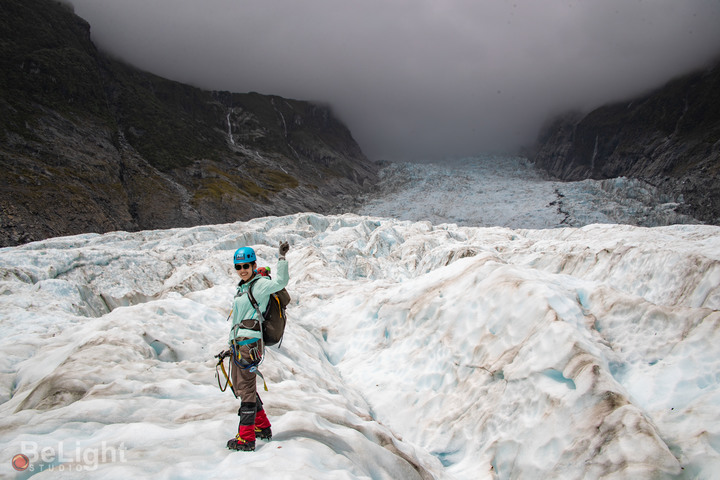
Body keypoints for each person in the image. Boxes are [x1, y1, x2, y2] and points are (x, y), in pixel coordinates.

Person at [226, 241, 290, 452]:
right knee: (244, 387)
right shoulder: (242, 288)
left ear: (253, 266)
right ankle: (262, 428)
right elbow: (238, 318)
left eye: (246, 266)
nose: (242, 270)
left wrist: (281, 258)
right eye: (239, 267)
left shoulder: (259, 285)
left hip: (250, 345)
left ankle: (246, 438)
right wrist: (231, 345)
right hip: (239, 344)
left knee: (245, 389)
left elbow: (281, 281)